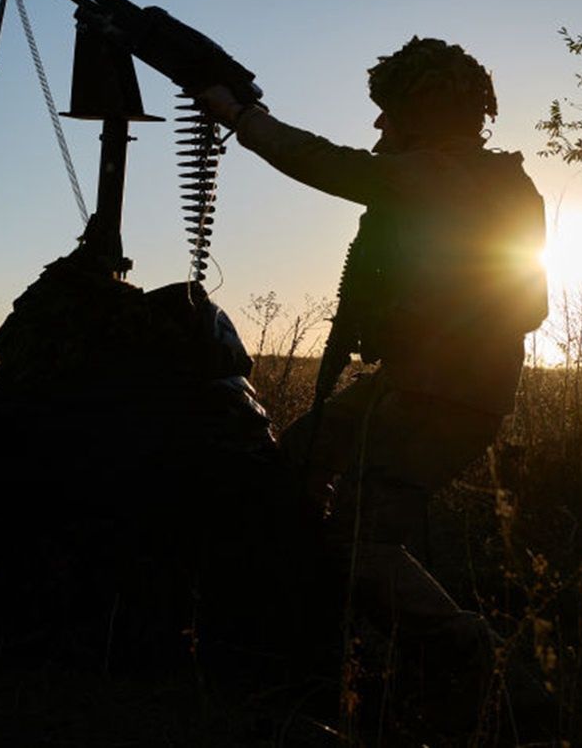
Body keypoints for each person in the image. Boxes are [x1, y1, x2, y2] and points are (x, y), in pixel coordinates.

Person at [196, 37, 552, 731]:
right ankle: (311, 647)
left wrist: (240, 118)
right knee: (291, 469)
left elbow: (326, 164)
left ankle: (473, 658)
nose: (380, 129)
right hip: (418, 385)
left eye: (390, 115)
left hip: (444, 398)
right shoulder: (477, 178)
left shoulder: (451, 177)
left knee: (361, 539)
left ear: (427, 113)